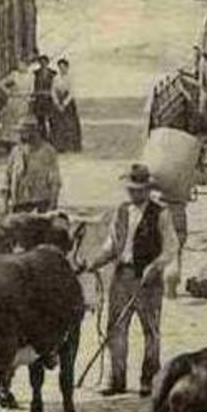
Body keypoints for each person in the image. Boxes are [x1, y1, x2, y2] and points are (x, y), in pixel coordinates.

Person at [80, 163, 180, 397]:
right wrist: (95, 262)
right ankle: (116, 379)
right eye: (131, 190)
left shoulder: (161, 213)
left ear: (148, 189)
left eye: (139, 190)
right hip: (122, 276)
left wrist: (156, 267)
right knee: (116, 328)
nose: (135, 194)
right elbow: (112, 245)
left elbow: (171, 247)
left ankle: (149, 380)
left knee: (151, 330)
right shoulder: (122, 211)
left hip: (148, 280)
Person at [3, 117, 61, 213]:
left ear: (34, 132)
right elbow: (7, 179)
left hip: (41, 204)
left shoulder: (48, 152)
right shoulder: (16, 151)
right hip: (18, 206)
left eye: (24, 132)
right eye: (20, 132)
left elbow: (55, 182)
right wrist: (5, 205)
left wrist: (52, 204)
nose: (20, 135)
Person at [48, 58, 82, 153]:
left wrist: (64, 104)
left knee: (70, 124)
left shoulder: (70, 78)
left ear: (67, 67)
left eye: (64, 67)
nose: (62, 69)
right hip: (58, 102)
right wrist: (57, 103)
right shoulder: (56, 78)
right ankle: (59, 146)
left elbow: (72, 92)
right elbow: (52, 91)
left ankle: (71, 146)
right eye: (60, 67)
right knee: (58, 125)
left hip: (68, 104)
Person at [29, 55, 56, 140]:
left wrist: (50, 92)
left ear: (48, 63)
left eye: (45, 62)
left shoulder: (53, 73)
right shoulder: (35, 73)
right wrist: (35, 93)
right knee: (40, 119)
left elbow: (55, 86)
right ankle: (43, 137)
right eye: (41, 62)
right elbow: (33, 86)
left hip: (49, 99)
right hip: (39, 99)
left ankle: (52, 136)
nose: (43, 64)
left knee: (51, 118)